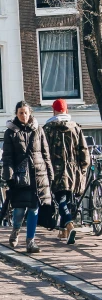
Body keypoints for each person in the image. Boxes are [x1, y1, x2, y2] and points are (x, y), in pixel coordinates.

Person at [2, 100, 54, 253]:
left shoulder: (38, 130)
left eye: (26, 112)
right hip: (21, 176)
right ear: (16, 114)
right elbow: (7, 157)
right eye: (20, 113)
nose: (24, 115)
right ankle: (16, 230)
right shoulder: (10, 132)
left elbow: (45, 152)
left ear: (30, 113)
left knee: (34, 208)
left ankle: (30, 241)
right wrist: (9, 177)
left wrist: (50, 173)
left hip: (38, 174)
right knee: (19, 209)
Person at [43, 98, 89, 244]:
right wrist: (83, 167)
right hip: (72, 169)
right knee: (67, 199)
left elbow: (43, 151)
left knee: (60, 199)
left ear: (54, 110)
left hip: (54, 169)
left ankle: (69, 224)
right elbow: (83, 149)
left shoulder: (47, 129)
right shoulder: (75, 128)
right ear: (66, 110)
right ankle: (63, 232)